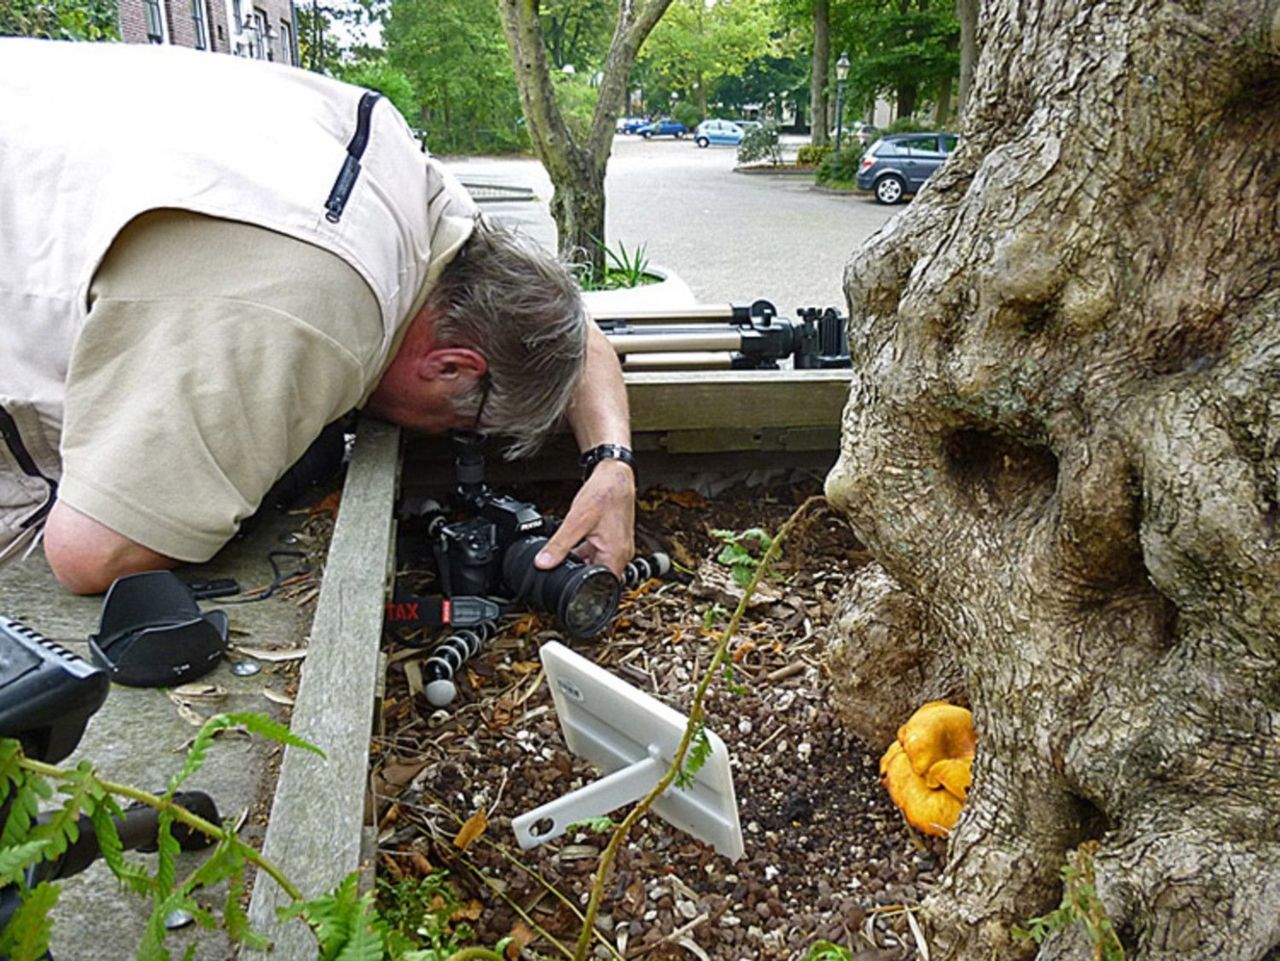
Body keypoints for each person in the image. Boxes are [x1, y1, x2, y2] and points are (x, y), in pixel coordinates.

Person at [0, 38, 635, 593]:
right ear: (448, 367)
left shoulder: (417, 204)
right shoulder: (311, 319)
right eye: (455, 424)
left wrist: (612, 466)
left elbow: (569, 331)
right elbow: (92, 554)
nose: (443, 433)